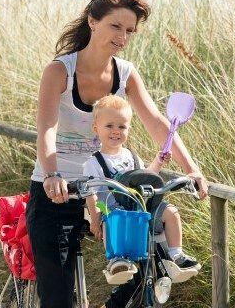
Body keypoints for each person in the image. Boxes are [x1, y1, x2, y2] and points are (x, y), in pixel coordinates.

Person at [25, 0, 208, 308]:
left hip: (111, 191)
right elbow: (47, 127)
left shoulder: (126, 73)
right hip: (59, 190)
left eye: (129, 30)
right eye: (116, 26)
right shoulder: (59, 71)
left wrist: (192, 168)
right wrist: (52, 173)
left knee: (143, 270)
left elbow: (156, 122)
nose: (123, 36)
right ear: (93, 21)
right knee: (57, 297)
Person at [83, 95, 200, 284]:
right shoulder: (94, 163)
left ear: (129, 129)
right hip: (114, 211)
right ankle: (118, 262)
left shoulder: (131, 156)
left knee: (171, 212)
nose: (116, 131)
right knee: (114, 222)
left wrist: (158, 162)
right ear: (96, 128)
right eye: (109, 126)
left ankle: (175, 255)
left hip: (141, 208)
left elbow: (144, 177)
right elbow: (92, 193)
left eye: (122, 126)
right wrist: (95, 219)